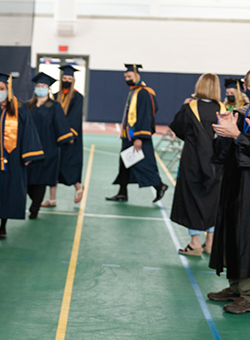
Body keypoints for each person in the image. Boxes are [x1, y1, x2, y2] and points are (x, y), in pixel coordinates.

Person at [0, 71, 44, 240]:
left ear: (8, 89)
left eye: (1, 88)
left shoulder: (19, 107)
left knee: (8, 192)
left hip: (13, 159)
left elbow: (28, 131)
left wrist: (27, 155)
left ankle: (2, 227)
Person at [169, 73, 226, 257]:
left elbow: (178, 129)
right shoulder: (223, 109)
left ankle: (195, 244)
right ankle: (210, 242)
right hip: (217, 162)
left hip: (192, 161)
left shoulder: (190, 108)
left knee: (192, 198)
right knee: (213, 200)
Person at [208, 96, 250, 314]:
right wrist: (224, 133)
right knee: (233, 234)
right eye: (248, 84)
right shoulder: (242, 113)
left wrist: (238, 136)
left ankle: (249, 295)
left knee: (247, 239)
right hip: (235, 184)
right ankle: (236, 289)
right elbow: (223, 156)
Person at [106, 64, 168, 202]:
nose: (127, 79)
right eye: (126, 77)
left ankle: (159, 186)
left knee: (142, 164)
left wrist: (139, 137)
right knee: (124, 164)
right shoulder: (134, 91)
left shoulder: (144, 92)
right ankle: (122, 192)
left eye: (129, 76)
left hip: (138, 137)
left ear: (137, 76)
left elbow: (146, 115)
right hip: (128, 136)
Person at [26, 72, 73, 219]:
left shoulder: (54, 106)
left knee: (42, 179)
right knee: (28, 179)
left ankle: (34, 209)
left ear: (49, 89)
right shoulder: (28, 105)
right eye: (39, 86)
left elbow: (61, 125)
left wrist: (67, 138)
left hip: (49, 148)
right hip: (30, 148)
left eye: (44, 86)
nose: (41, 88)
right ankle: (36, 201)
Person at [42, 65, 85, 207]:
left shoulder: (77, 97)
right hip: (55, 138)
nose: (66, 80)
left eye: (69, 78)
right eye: (64, 78)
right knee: (53, 168)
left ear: (73, 80)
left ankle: (78, 187)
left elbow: (75, 117)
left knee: (69, 165)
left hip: (69, 139)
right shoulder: (55, 96)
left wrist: (68, 134)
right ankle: (52, 199)